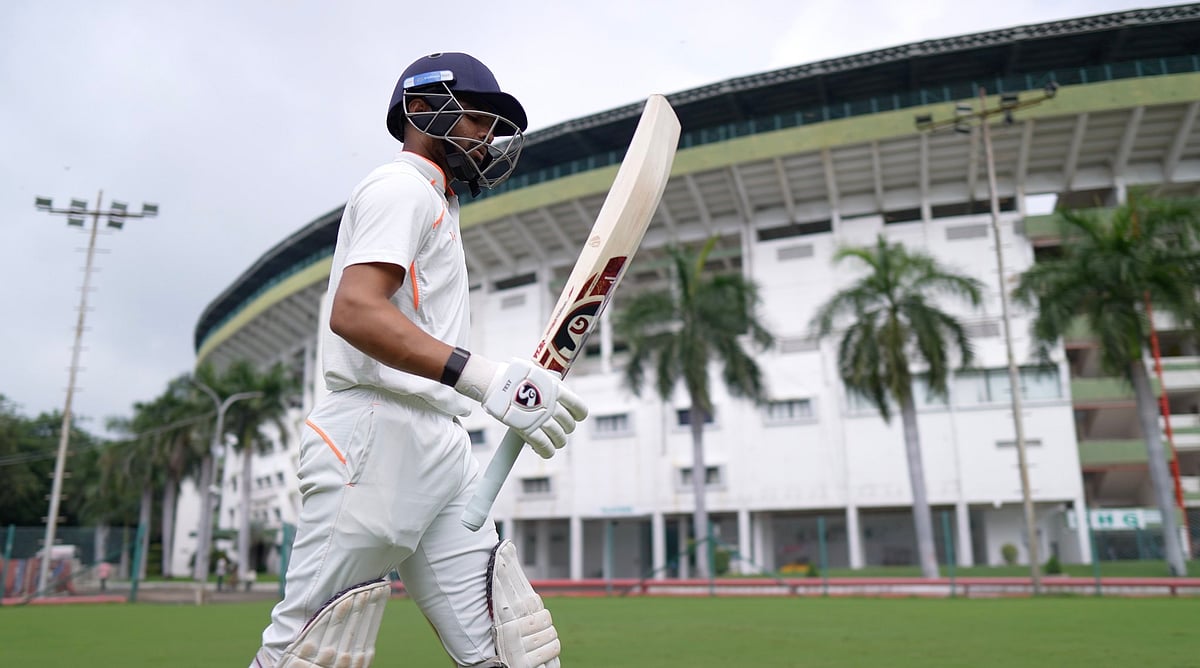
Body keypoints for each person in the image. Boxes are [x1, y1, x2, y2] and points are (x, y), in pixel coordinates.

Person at [249, 52, 587, 668]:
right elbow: (354, 311)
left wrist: (495, 385)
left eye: (492, 126)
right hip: (377, 433)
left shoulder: (438, 204)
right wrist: (480, 375)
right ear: (422, 108)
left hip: (442, 443)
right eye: (477, 120)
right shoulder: (399, 186)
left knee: (516, 647)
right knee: (312, 651)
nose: (487, 139)